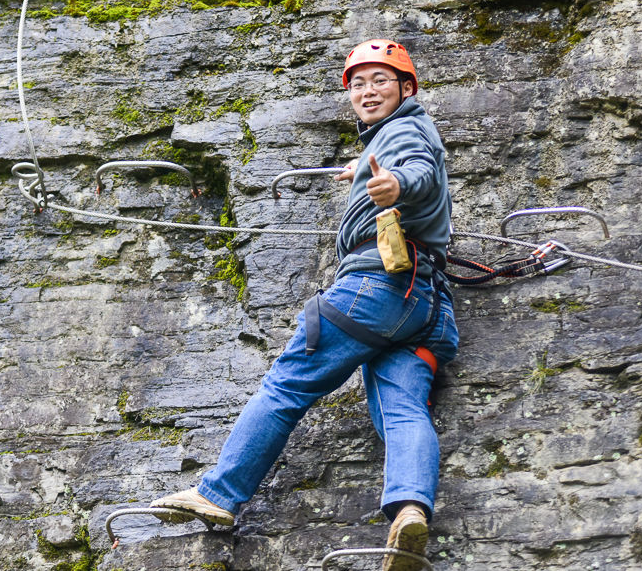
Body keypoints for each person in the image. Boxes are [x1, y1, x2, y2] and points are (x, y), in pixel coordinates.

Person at [151, 39, 458, 571]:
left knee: (286, 385)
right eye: (358, 83)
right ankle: (409, 511)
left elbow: (415, 172)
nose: (367, 91)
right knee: (404, 409)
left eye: (380, 81)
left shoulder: (405, 133)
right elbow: (409, 166)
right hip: (427, 309)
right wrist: (363, 170)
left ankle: (219, 494)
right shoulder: (395, 136)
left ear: (407, 88)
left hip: (374, 293)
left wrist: (390, 183)